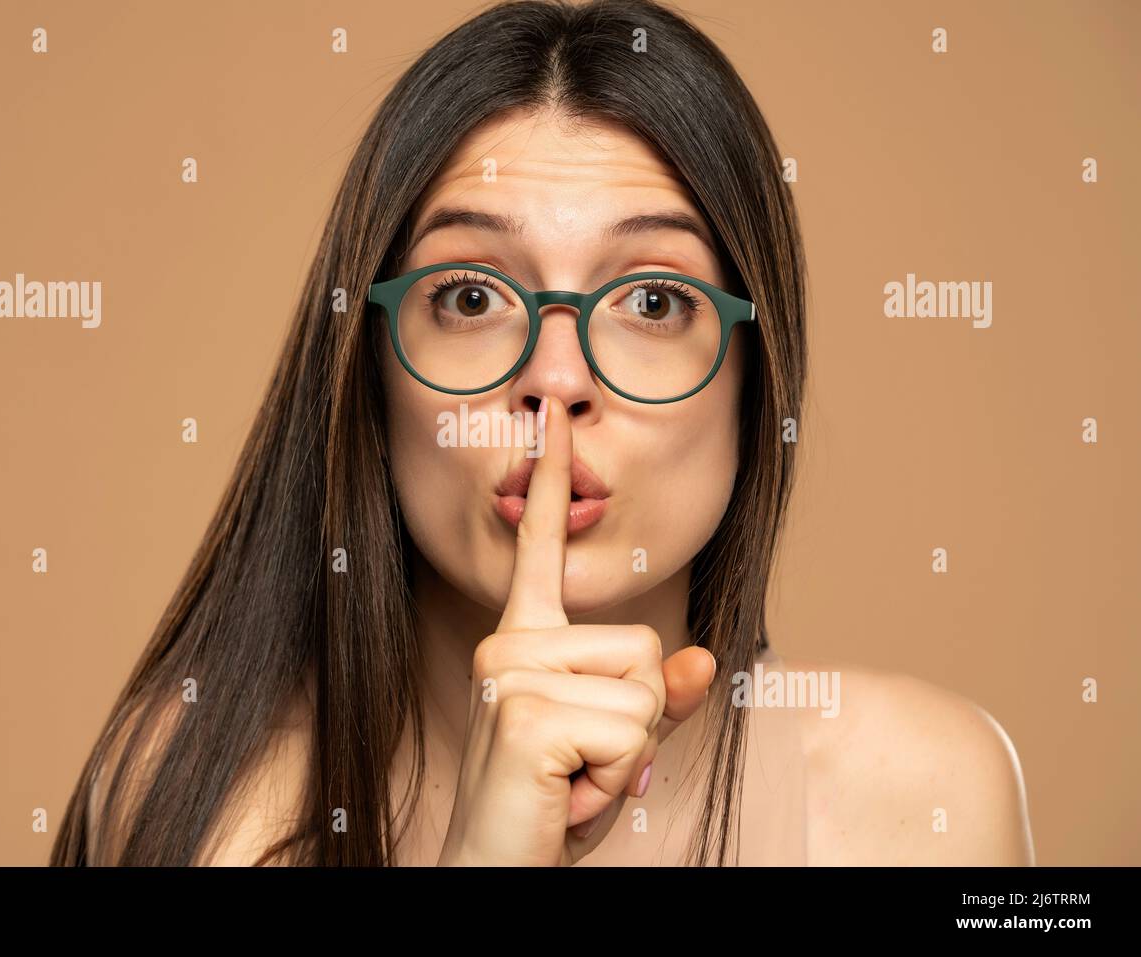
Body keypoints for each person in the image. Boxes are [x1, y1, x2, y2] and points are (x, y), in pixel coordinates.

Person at [51, 0, 1034, 866]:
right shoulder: (186, 802)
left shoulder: (928, 799)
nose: (555, 380)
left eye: (652, 299)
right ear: (370, 370)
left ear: (753, 375)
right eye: (471, 294)